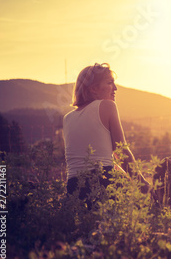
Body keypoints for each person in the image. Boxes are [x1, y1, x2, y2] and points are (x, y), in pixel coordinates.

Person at [63, 63, 150, 208]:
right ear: (93, 89)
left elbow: (99, 158)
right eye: (110, 83)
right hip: (103, 182)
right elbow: (121, 151)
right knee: (142, 211)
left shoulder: (67, 118)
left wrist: (125, 177)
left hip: (73, 189)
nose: (115, 88)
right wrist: (141, 183)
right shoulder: (107, 106)